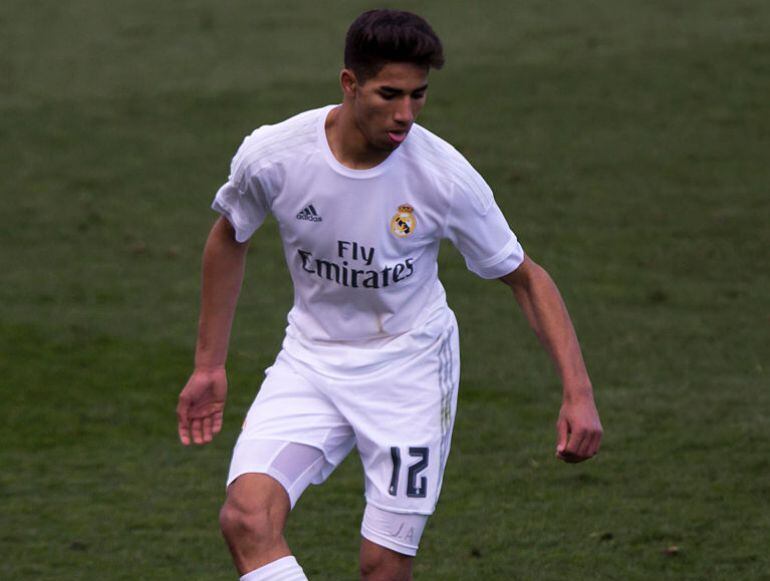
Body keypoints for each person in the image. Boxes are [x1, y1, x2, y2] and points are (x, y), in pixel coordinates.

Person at [176, 9, 602, 581]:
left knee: (381, 567)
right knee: (245, 519)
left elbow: (526, 277)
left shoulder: (442, 177)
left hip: (410, 371)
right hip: (311, 360)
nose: (405, 114)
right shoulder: (275, 156)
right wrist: (209, 365)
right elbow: (230, 234)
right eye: (389, 94)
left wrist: (578, 393)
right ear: (349, 84)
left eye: (419, 96)